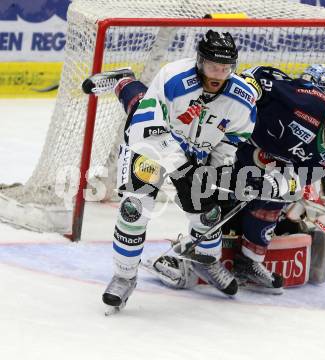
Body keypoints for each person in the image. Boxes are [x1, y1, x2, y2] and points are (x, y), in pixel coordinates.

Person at [152, 65, 325, 293]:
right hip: (234, 139)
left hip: (263, 159)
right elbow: (260, 76)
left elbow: (298, 177)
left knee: (283, 194)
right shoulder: (305, 103)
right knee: (217, 194)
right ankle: (192, 257)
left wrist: (269, 185)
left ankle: (249, 260)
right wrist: (244, 99)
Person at [83, 30, 257, 311]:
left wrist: (217, 171)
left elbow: (232, 138)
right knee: (134, 209)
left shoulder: (242, 99)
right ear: (200, 62)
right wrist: (182, 168)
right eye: (213, 66)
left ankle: (207, 262)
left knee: (209, 213)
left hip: (194, 151)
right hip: (150, 145)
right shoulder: (173, 78)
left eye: (226, 68)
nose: (219, 74)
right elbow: (146, 129)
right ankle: (124, 276)